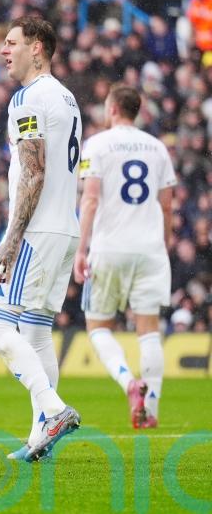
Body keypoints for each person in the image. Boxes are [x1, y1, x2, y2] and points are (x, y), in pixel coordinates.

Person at [0, 17, 82, 463]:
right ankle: (40, 437)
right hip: (65, 228)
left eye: (11, 43)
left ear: (36, 47)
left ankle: (54, 410)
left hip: (36, 231)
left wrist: (12, 237)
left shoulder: (28, 98)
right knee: (38, 333)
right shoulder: (66, 97)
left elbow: (34, 171)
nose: (4, 51)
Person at [73, 85, 176, 429]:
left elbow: (90, 199)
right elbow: (166, 206)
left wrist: (81, 248)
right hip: (150, 250)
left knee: (98, 327)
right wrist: (163, 243)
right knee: (149, 331)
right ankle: (152, 410)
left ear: (113, 109)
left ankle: (129, 382)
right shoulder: (158, 148)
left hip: (110, 248)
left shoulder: (97, 144)